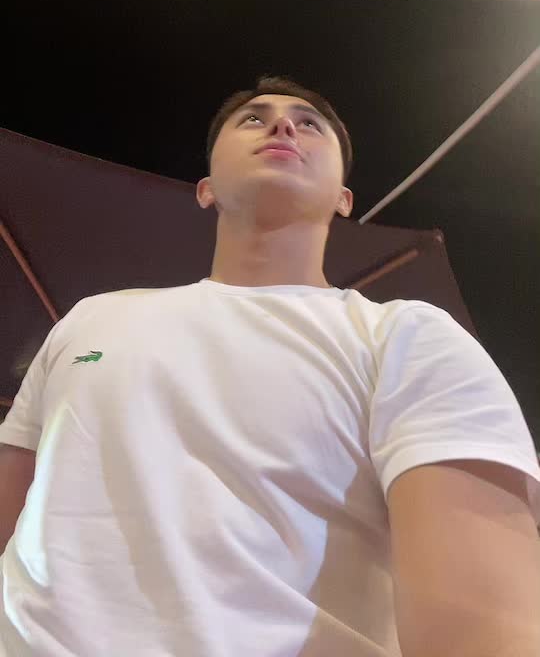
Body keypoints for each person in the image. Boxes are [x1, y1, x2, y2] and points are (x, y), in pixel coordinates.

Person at [1, 74, 539, 657]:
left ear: (344, 199)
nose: (283, 125)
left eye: (310, 124)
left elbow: (484, 630)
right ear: (206, 189)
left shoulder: (409, 338)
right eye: (253, 118)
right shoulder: (90, 318)